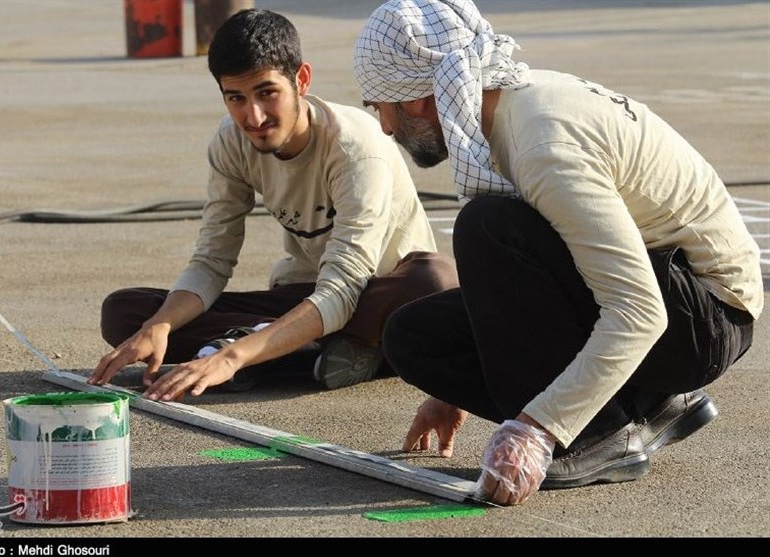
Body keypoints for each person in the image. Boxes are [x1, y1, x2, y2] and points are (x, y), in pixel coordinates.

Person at [353, 0, 763, 506]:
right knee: (416, 338)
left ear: (415, 100)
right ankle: (649, 403)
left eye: (380, 107)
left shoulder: (541, 145)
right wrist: (451, 387)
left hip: (705, 320)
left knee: (487, 228)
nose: (385, 127)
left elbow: (639, 311)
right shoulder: (507, 107)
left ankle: (599, 435)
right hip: (669, 293)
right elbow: (536, 277)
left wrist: (538, 428)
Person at [89, 8, 458, 400]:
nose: (254, 116)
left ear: (302, 80)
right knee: (127, 312)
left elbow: (345, 285)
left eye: (267, 93)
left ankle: (262, 350)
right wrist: (159, 325)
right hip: (305, 296)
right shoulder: (231, 142)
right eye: (236, 98)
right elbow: (212, 260)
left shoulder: (355, 147)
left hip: (378, 295)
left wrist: (232, 356)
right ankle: (306, 351)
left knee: (435, 283)